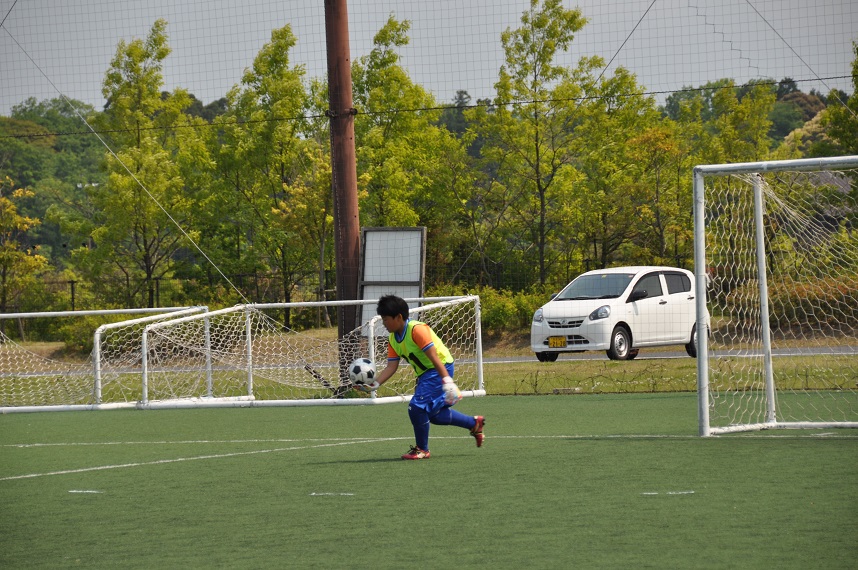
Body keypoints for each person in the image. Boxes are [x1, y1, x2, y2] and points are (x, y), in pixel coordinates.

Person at [361, 294, 485, 460]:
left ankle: (422, 449)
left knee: (417, 407)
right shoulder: (393, 339)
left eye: (386, 319)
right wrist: (375, 384)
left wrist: (447, 381)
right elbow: (392, 366)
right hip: (426, 374)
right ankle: (473, 424)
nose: (384, 323)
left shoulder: (416, 330)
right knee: (433, 415)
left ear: (398, 317)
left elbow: (434, 358)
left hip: (440, 367)